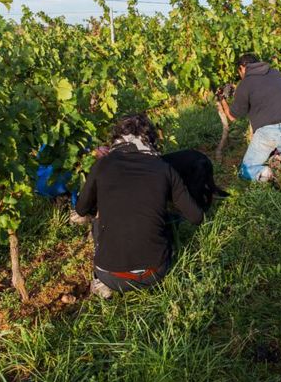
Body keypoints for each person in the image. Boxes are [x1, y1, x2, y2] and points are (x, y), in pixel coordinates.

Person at [75, 114, 203, 298]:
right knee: (166, 219)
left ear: (116, 138)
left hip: (111, 276)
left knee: (98, 219)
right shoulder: (163, 168)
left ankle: (101, 284)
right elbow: (196, 217)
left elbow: (81, 209)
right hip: (155, 272)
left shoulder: (102, 165)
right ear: (150, 139)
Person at [221, 53, 281, 181]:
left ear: (242, 68)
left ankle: (266, 172)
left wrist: (223, 99)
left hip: (267, 134)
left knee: (245, 171)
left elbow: (232, 117)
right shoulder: (276, 74)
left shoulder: (245, 83)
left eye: (239, 71)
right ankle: (279, 164)